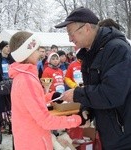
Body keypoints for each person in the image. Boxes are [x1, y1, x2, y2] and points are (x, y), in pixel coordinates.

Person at [55, 7, 131, 149]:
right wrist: (87, 110)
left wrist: (78, 94)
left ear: (87, 28)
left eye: (71, 33)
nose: (70, 38)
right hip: (108, 132)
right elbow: (93, 87)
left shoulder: (117, 50)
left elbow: (112, 93)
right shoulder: (89, 54)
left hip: (124, 135)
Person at [8, 31, 82, 150]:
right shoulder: (27, 79)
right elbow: (45, 120)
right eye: (37, 50)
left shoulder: (23, 76)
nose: (41, 54)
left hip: (29, 140)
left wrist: (52, 96)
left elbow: (31, 104)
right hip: (34, 142)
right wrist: (77, 120)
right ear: (28, 52)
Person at [0, 41, 14, 134]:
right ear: (2, 47)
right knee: (3, 105)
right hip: (1, 85)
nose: (8, 48)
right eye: (6, 46)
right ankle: (3, 123)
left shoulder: (12, 59)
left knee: (12, 105)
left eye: (9, 46)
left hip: (12, 84)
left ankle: (12, 125)